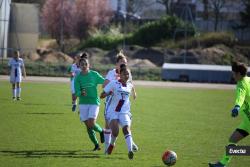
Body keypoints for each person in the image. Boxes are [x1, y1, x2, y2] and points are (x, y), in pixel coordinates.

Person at [209, 61, 250, 167]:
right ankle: (223, 163)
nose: (233, 75)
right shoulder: (248, 80)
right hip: (247, 122)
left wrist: (236, 107)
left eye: (234, 73)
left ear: (239, 74)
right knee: (232, 140)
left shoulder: (241, 84)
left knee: (234, 142)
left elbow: (240, 97)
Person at [102, 50, 138, 153]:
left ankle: (130, 143)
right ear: (117, 64)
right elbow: (104, 85)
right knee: (108, 126)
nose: (124, 64)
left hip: (122, 102)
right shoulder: (111, 73)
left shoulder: (127, 72)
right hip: (110, 102)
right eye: (122, 63)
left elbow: (130, 83)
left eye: (125, 63)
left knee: (124, 123)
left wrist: (134, 92)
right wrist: (112, 89)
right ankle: (107, 147)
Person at [74, 53, 105, 151]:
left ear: (89, 65)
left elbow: (104, 81)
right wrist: (80, 93)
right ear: (79, 66)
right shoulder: (77, 77)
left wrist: (115, 83)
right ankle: (96, 145)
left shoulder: (94, 74)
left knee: (91, 123)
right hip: (83, 103)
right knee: (88, 127)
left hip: (94, 102)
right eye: (81, 64)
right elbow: (77, 91)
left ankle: (102, 131)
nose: (83, 66)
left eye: (85, 64)